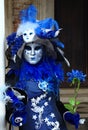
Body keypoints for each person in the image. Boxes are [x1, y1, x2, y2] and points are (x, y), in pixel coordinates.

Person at [5, 4, 80, 130]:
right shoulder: (15, 75)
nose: (33, 53)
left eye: (37, 48)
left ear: (44, 50)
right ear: (22, 52)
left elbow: (56, 102)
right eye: (28, 49)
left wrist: (67, 114)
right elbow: (8, 106)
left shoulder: (51, 73)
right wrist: (15, 116)